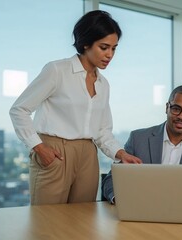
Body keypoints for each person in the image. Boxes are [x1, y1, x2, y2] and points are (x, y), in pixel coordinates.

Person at [9, 10, 142, 205]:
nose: (110, 55)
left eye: (114, 48)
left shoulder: (103, 84)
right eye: (104, 47)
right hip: (55, 152)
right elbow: (19, 110)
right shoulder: (57, 70)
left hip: (88, 155)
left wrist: (121, 154)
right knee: (47, 223)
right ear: (86, 43)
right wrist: (39, 147)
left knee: (83, 221)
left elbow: (102, 132)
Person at [102, 85, 182, 203]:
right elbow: (111, 180)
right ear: (167, 108)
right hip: (144, 207)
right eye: (176, 109)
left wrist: (175, 194)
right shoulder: (138, 138)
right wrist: (120, 199)